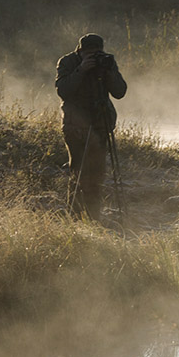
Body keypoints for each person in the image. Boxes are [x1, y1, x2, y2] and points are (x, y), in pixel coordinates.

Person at [55, 33, 127, 220]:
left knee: (97, 172)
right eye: (90, 55)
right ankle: (75, 214)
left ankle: (93, 215)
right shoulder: (68, 62)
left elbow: (120, 92)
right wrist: (81, 70)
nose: (94, 58)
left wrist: (109, 72)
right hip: (75, 126)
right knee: (78, 172)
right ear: (80, 51)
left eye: (97, 53)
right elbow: (64, 92)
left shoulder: (106, 62)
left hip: (100, 124)